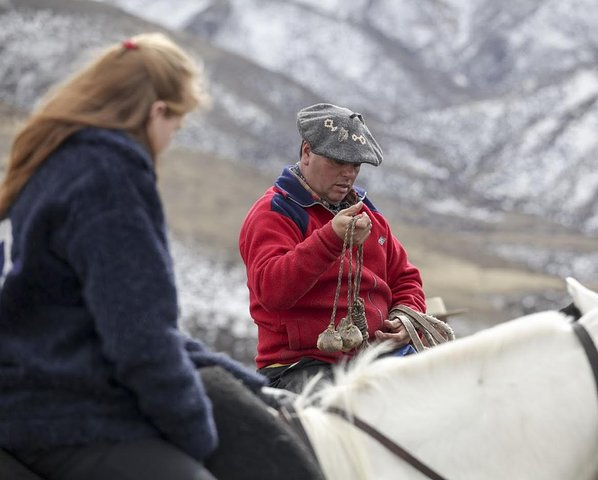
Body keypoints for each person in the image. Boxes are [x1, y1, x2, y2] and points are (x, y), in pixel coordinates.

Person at [0, 33, 321, 480]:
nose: (170, 140)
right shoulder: (108, 179)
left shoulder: (55, 162)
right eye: (177, 126)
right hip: (67, 414)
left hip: (31, 396)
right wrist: (195, 433)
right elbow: (140, 336)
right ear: (156, 113)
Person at [239, 102, 426, 393]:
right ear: (306, 152)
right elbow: (272, 291)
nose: (348, 174)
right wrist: (331, 240)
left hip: (375, 356)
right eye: (337, 162)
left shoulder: (368, 216)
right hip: (300, 365)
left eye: (355, 165)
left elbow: (405, 278)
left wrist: (405, 317)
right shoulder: (273, 213)